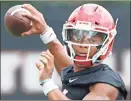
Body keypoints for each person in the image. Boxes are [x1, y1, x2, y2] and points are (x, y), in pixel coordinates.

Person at [21, 3, 127, 100]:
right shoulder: (78, 73)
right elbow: (59, 53)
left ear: (106, 42)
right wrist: (44, 31)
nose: (82, 45)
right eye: (77, 37)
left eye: (92, 39)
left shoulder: (106, 84)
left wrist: (46, 82)